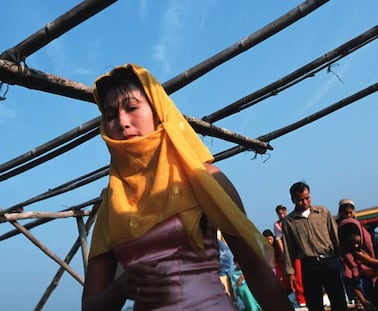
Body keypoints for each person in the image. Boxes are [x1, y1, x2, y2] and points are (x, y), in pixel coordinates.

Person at [81, 64, 293, 311]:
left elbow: (255, 270)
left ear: (158, 112)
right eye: (110, 116)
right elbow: (90, 305)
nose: (122, 122)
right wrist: (120, 288)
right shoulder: (112, 204)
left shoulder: (204, 178)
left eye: (131, 108)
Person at [282, 181, 348, 311]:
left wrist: (342, 257)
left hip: (329, 261)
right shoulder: (289, 222)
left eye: (307, 198)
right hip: (309, 265)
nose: (305, 202)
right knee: (314, 302)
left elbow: (335, 236)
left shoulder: (323, 212)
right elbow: (288, 248)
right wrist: (290, 273)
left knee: (338, 299)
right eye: (301, 200)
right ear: (293, 200)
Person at [274, 205, 306, 307]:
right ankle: (299, 298)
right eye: (280, 214)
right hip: (289, 252)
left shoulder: (291, 220)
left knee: (301, 273)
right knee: (293, 275)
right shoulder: (277, 225)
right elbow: (279, 239)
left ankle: (303, 296)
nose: (282, 215)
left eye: (283, 213)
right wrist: (284, 253)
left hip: (298, 250)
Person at [336, 199, 363, 310]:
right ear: (341, 213)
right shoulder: (338, 226)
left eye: (350, 213)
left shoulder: (357, 225)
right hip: (344, 259)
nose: (348, 215)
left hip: (359, 259)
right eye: (345, 213)